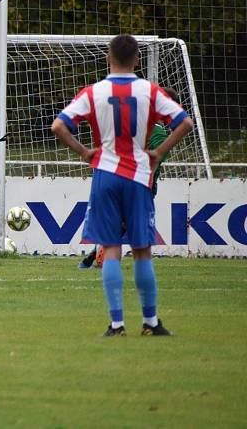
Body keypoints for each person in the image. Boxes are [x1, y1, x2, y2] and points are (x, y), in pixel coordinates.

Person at [52, 35, 193, 336]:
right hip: (139, 176)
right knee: (142, 250)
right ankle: (151, 322)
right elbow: (185, 123)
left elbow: (58, 125)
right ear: (138, 60)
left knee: (111, 248)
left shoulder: (94, 92)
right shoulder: (150, 91)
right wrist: (158, 151)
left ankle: (116, 325)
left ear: (108, 57)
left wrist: (84, 152)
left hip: (105, 174)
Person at [78, 86, 181, 269]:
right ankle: (103, 254)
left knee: (119, 221)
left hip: (112, 176)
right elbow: (153, 161)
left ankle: (97, 253)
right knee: (133, 228)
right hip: (138, 183)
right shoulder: (158, 132)